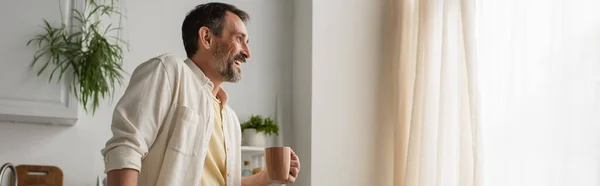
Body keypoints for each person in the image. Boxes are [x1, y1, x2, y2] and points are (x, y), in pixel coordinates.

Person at [100, 2, 300, 186]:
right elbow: (126, 148)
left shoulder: (230, 119)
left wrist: (266, 177)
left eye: (247, 42)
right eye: (239, 39)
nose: (247, 52)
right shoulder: (169, 71)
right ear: (206, 38)